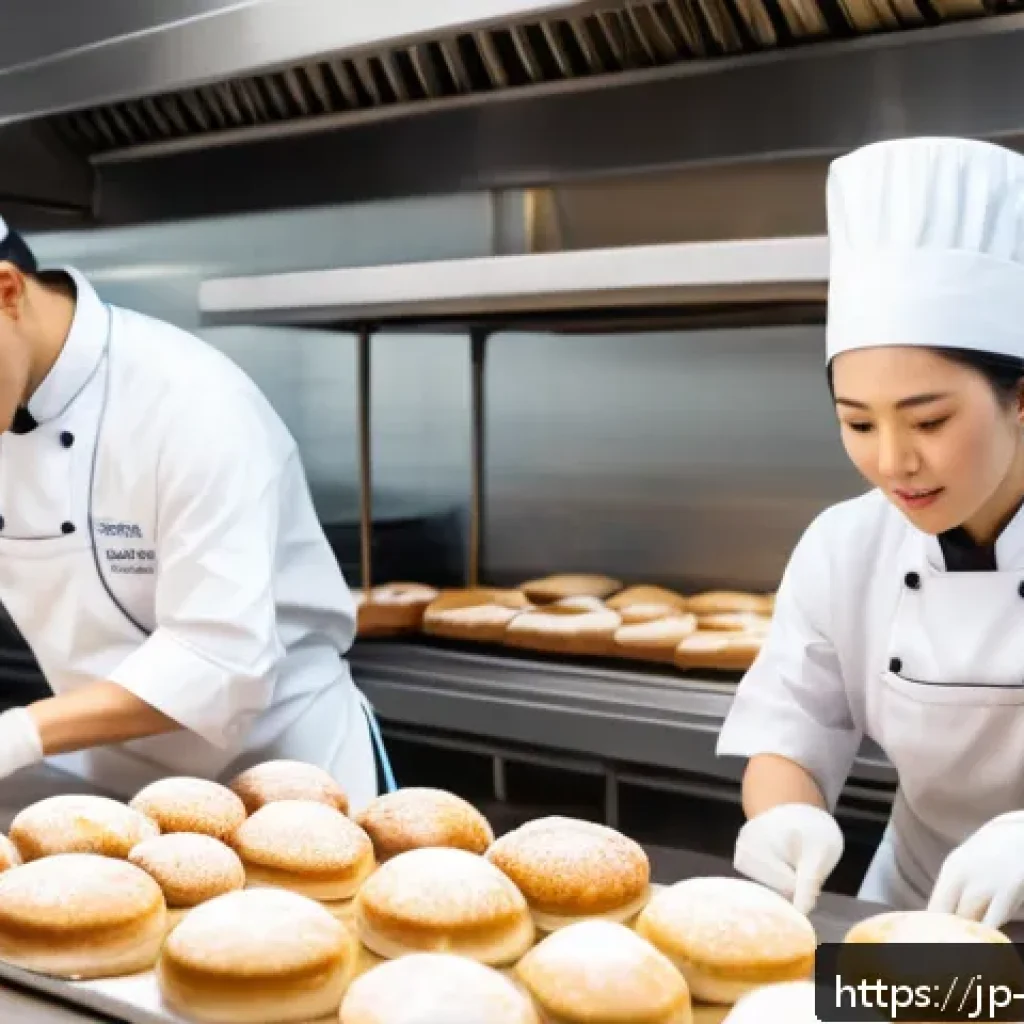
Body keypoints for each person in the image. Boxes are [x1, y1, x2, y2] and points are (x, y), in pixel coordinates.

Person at [717, 135, 1024, 929]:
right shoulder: (845, 547)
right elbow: (792, 725)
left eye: (929, 419)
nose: (893, 463)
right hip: (912, 925)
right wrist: (783, 817)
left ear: (1021, 396)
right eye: (856, 421)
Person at [0, 222, 393, 813]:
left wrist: (19, 734)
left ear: (6, 290)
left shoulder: (192, 403)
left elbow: (217, 658)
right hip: (104, 781)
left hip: (284, 779)